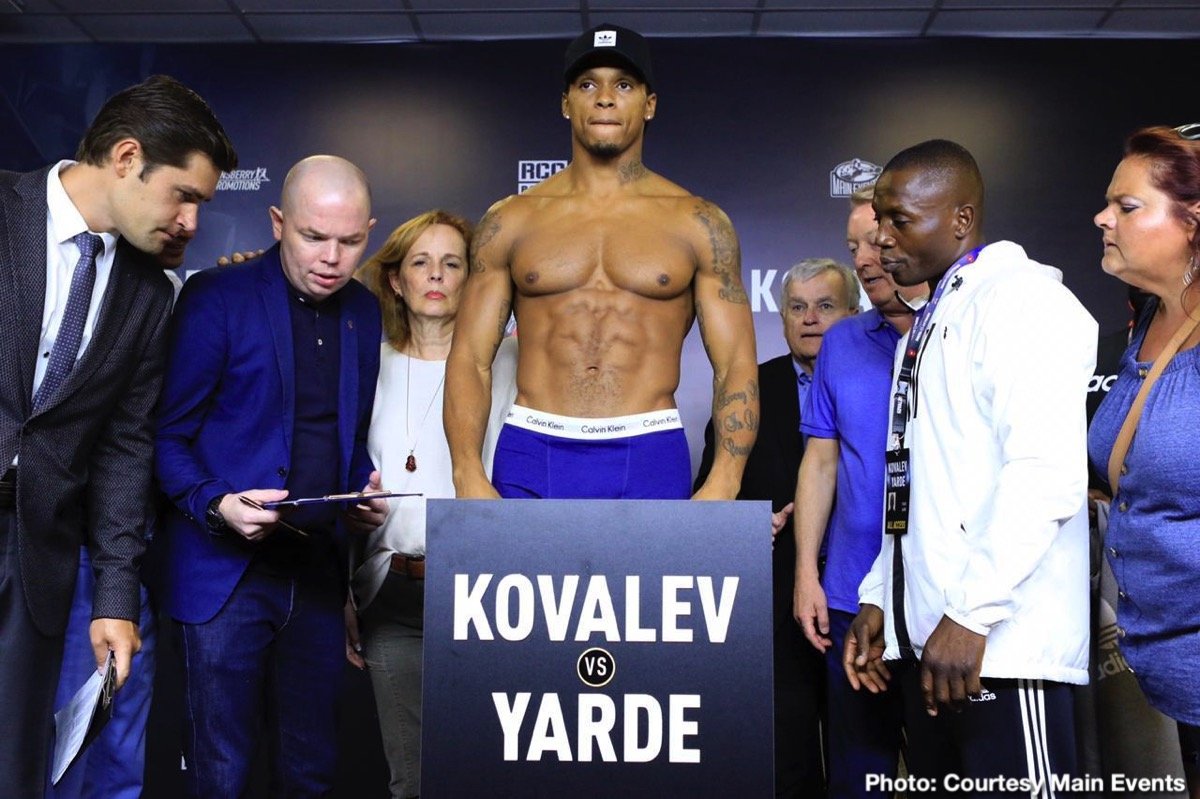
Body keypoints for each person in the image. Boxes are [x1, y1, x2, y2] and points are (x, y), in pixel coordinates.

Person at [0, 74, 234, 797]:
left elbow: (126, 450)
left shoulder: (150, 292)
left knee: (17, 771)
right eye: (184, 196)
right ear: (127, 157)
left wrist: (112, 599)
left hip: (37, 558)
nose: (191, 222)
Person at [846, 139, 1097, 782]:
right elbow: (916, 489)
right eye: (879, 219)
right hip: (935, 650)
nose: (881, 239)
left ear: (960, 219)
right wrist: (880, 597)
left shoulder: (1021, 301)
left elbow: (1046, 476)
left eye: (900, 219)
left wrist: (969, 615)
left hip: (1001, 653)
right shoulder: (930, 321)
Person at [445, 24, 758, 501]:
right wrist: (467, 472)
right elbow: (469, 356)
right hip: (533, 443)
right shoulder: (510, 220)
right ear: (566, 102)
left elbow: (734, 362)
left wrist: (726, 477)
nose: (605, 99)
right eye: (588, 84)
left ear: (649, 104)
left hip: (649, 446)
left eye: (624, 85)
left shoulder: (699, 223)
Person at [154, 155, 381, 797]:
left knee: (309, 773)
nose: (332, 256)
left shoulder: (364, 313)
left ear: (370, 230)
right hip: (224, 576)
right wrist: (217, 504)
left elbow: (344, 436)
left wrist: (360, 487)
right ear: (278, 223)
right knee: (218, 773)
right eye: (314, 236)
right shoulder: (216, 298)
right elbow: (165, 436)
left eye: (350, 240)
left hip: (314, 577)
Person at [346, 210, 517, 799]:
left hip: (486, 597)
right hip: (389, 595)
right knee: (412, 779)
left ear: (474, 278)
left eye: (452, 263)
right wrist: (346, 587)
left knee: (485, 773)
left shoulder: (511, 364)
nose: (436, 275)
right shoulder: (366, 364)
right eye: (420, 262)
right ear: (396, 280)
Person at [696, 257, 858, 797]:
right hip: (774, 603)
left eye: (825, 306)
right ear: (782, 318)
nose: (810, 318)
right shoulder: (746, 393)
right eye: (797, 307)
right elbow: (707, 499)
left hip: (865, 600)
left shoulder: (883, 382)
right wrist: (745, 524)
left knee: (860, 754)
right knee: (786, 755)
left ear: (854, 313)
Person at [792, 187, 927, 798]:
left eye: (875, 242)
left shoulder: (959, 329)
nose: (866, 259)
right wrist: (806, 574)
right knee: (859, 778)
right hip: (848, 596)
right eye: (854, 248)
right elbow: (820, 463)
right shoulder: (842, 341)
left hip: (939, 605)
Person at [1088, 124, 1200, 797]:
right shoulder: (1147, 320)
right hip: (1158, 671)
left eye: (1128, 207)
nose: (1104, 217)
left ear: (1193, 222)